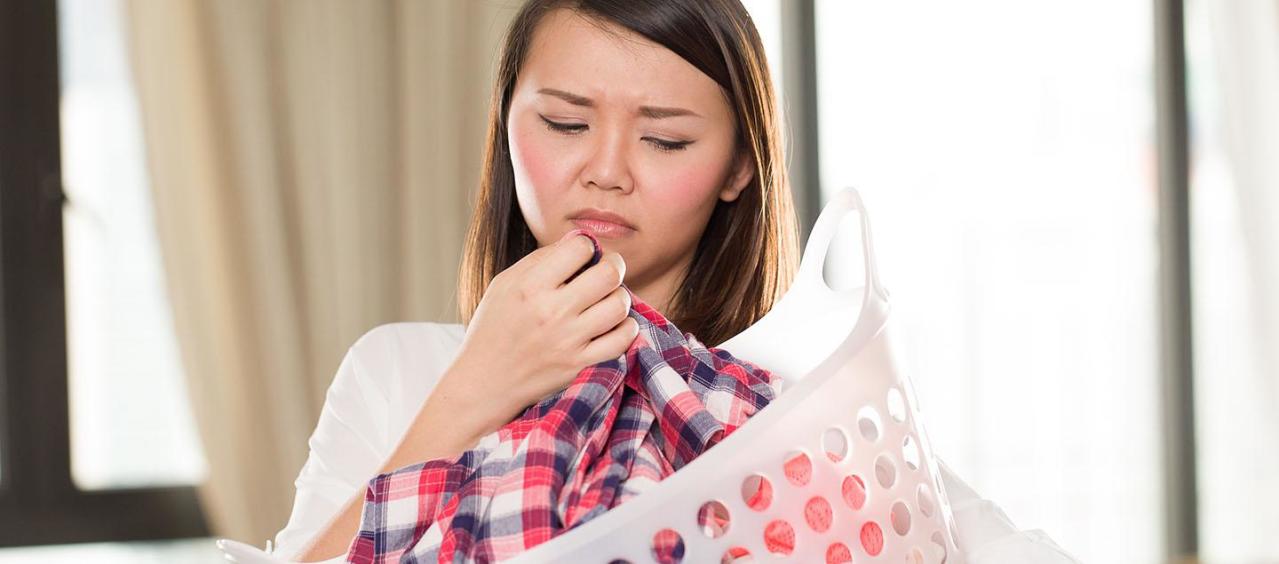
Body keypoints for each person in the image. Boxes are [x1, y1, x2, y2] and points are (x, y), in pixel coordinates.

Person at [272, 1, 1078, 562]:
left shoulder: (795, 399)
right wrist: (473, 390)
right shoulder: (398, 372)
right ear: (506, 123)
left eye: (663, 139)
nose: (604, 171)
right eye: (563, 123)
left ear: (736, 166)